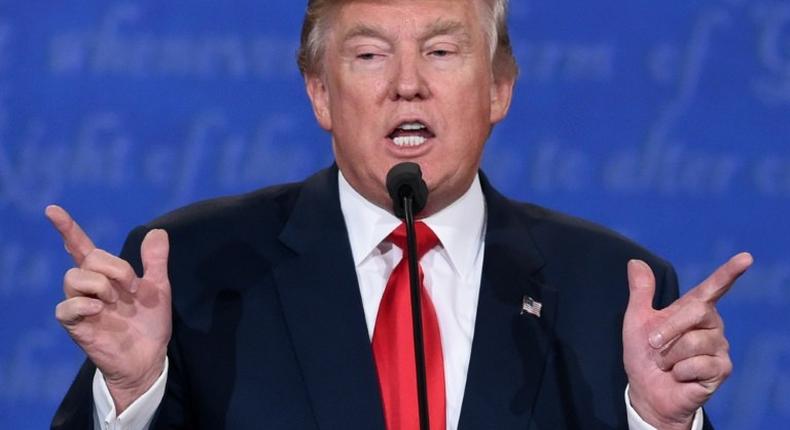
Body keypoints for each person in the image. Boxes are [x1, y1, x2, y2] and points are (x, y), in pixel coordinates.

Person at [48, 0, 752, 429]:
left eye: (442, 51)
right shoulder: (199, 270)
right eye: (369, 54)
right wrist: (133, 395)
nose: (407, 84)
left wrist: (661, 425)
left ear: (499, 88)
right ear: (320, 93)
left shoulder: (609, 288)